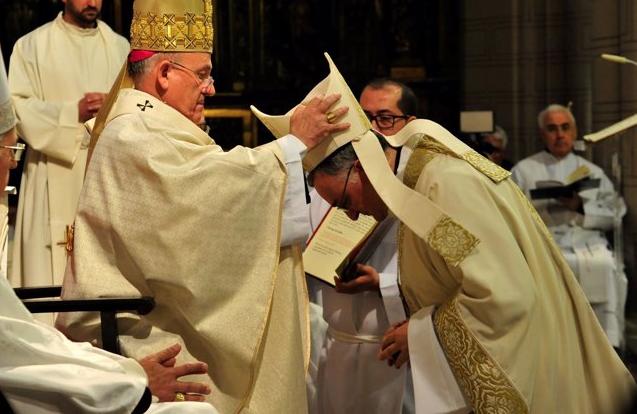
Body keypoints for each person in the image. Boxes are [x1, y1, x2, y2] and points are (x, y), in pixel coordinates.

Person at [57, 0, 349, 414]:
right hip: (141, 336)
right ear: (166, 74)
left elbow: (205, 188)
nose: (211, 87)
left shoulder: (152, 124)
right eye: (204, 74)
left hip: (158, 316)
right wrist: (292, 146)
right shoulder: (132, 133)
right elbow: (197, 205)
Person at [255, 55, 637, 414]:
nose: (350, 214)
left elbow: (505, 297)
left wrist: (420, 335)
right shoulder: (418, 180)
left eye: (342, 200)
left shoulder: (443, 186)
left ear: (360, 166)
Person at [0, 0, 216, 413]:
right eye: (12, 151)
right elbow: (29, 358)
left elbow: (30, 346)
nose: (12, 165)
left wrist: (125, 374)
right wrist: (134, 381)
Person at [8, 0, 129, 288]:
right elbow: (17, 107)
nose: (92, 2)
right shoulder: (31, 46)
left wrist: (112, 109)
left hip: (104, 171)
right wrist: (70, 114)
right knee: (48, 271)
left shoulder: (120, 48)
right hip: (51, 168)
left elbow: (136, 108)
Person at [306, 78, 417, 414]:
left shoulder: (420, 184)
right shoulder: (331, 178)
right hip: (338, 345)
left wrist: (382, 283)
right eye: (365, 116)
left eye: (384, 117)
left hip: (394, 349)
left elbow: (449, 277)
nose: (372, 128)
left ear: (409, 124)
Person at [511, 104, 627, 347]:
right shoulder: (523, 170)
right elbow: (510, 212)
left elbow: (617, 212)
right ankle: (555, 345)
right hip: (545, 240)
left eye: (565, 128)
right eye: (552, 129)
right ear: (543, 134)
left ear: (574, 132)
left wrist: (580, 206)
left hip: (585, 240)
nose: (559, 135)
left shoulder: (592, 171)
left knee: (605, 265)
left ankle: (605, 344)